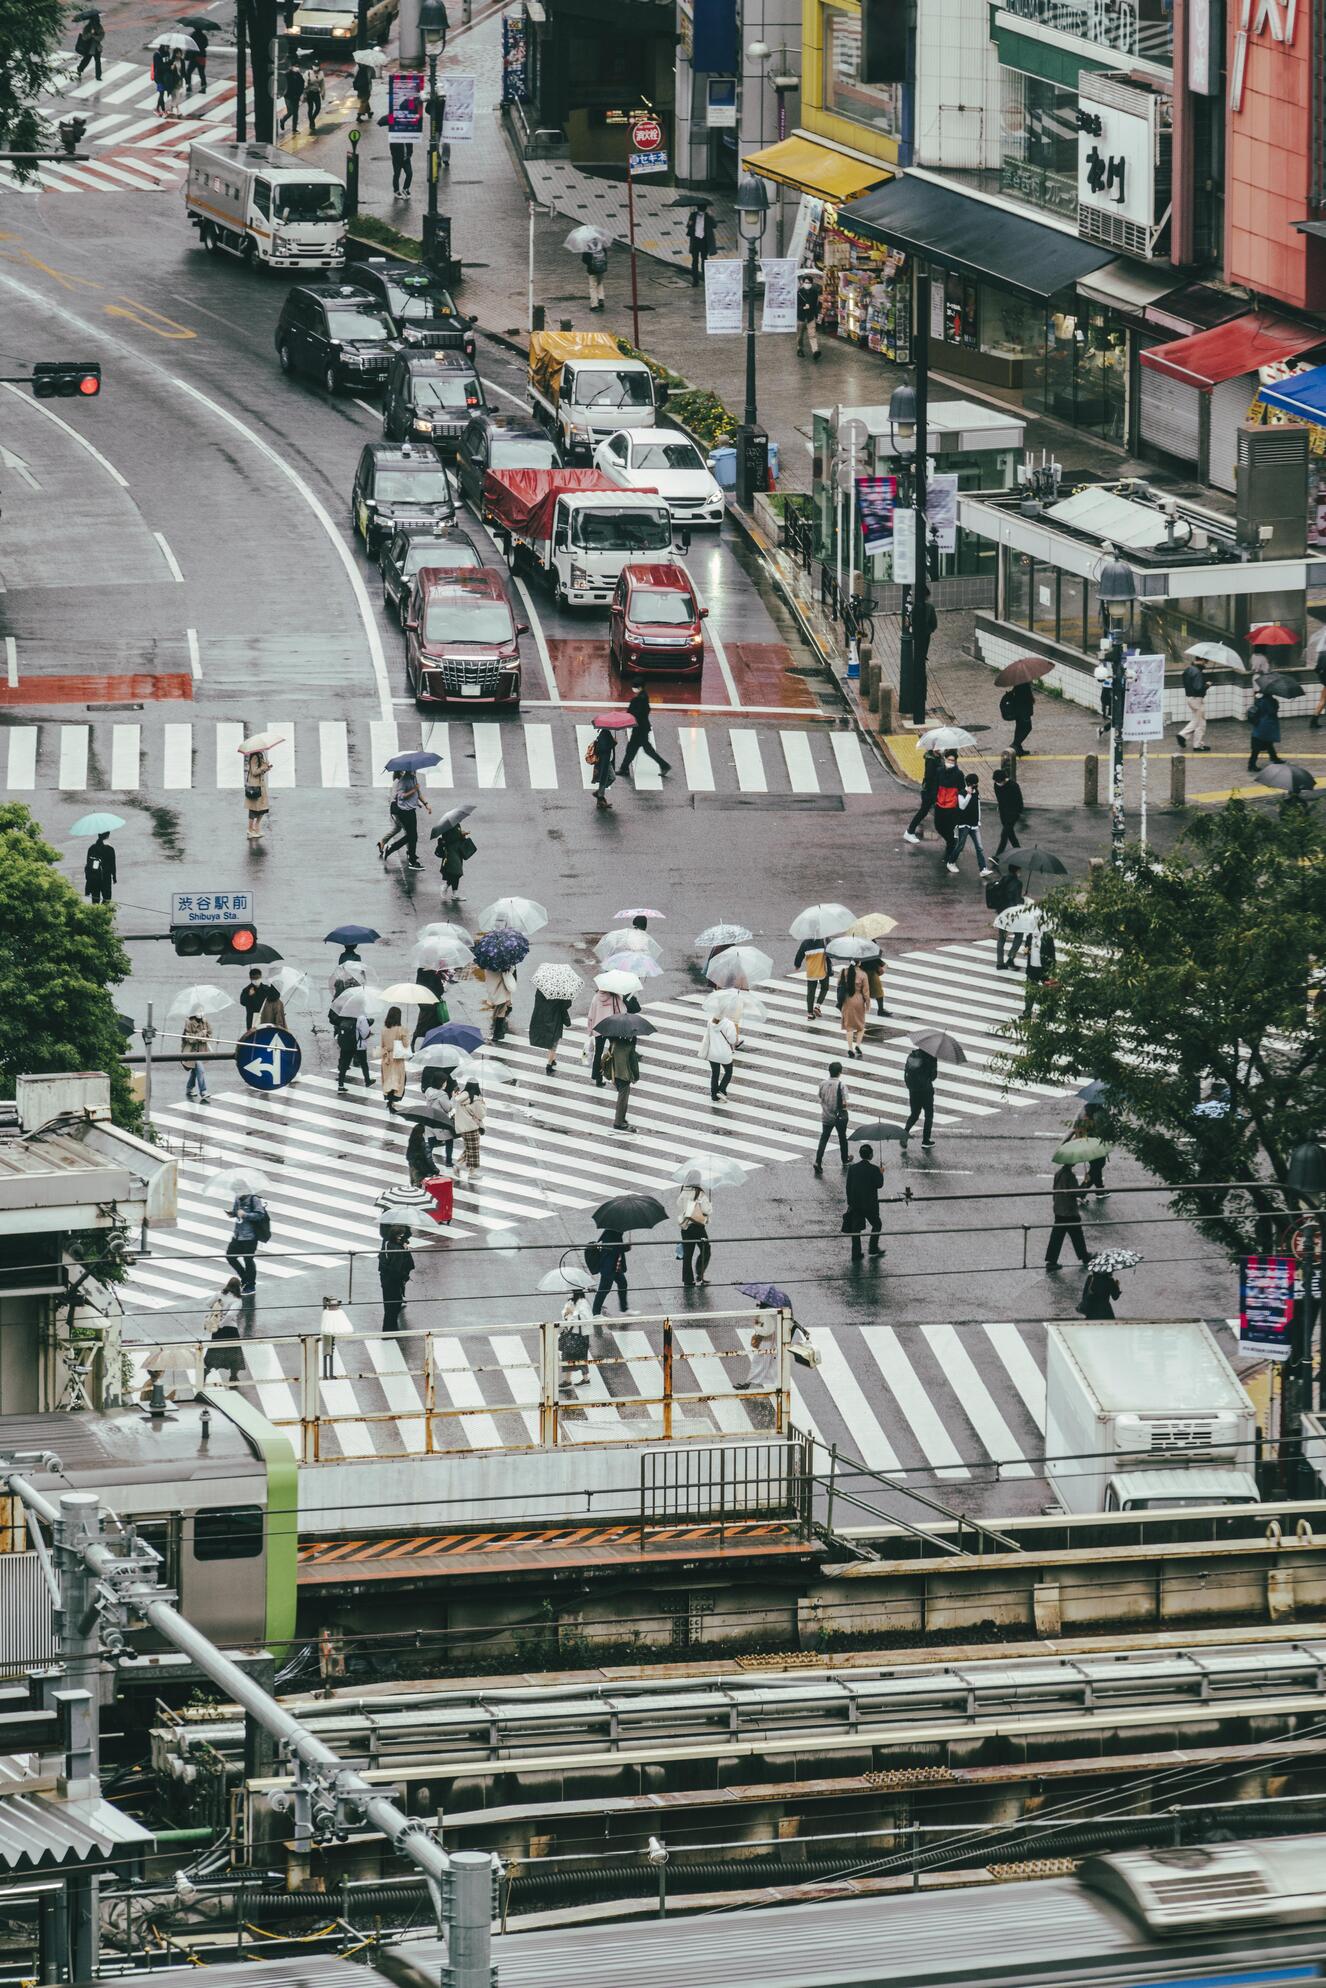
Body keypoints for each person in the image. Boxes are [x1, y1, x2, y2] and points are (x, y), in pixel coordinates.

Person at [379, 767, 430, 869]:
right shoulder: (403, 781)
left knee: (413, 836)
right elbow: (401, 796)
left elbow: (418, 793)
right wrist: (414, 789)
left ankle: (410, 856)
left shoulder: (413, 778)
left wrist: (426, 804)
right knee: (411, 836)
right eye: (414, 768)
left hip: (411, 810)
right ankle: (409, 858)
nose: (415, 770)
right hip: (404, 811)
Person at [843, 1143, 885, 1260]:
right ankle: (873, 1248)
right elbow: (879, 1184)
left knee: (856, 1229)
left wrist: (850, 1202)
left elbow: (848, 1186)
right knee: (877, 1224)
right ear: (870, 1155)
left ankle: (856, 1253)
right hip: (870, 1205)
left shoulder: (853, 1168)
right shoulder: (875, 1169)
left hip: (856, 1204)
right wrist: (881, 1173)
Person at [620, 683, 671, 776]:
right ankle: (624, 768)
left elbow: (635, 712)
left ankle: (624, 769)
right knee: (641, 749)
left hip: (639, 728)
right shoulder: (644, 697)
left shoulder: (639, 699)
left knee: (634, 749)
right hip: (642, 728)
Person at [1046, 1162, 1089, 1270]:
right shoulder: (1070, 1176)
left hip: (1059, 1209)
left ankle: (1051, 1261)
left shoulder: (1058, 1173)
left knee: (1057, 1237)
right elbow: (1077, 1193)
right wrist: (1085, 1182)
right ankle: (1084, 1257)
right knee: (1077, 1235)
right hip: (1069, 1211)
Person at [202, 1279, 245, 1385]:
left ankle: (205, 1371)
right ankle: (233, 1376)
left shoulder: (219, 1294)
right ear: (238, 1287)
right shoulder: (237, 1300)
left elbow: (207, 1303)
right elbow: (230, 1315)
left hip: (217, 1329)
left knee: (215, 1352)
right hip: (231, 1329)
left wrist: (218, 1312)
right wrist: (223, 1324)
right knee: (235, 1352)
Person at [226, 1193, 268, 1297]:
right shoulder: (237, 1198)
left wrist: (245, 1215)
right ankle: (245, 1278)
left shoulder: (254, 1199)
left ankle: (251, 1285)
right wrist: (233, 1213)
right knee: (230, 1256)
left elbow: (260, 1215)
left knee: (248, 1260)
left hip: (250, 1237)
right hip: (238, 1235)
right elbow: (237, 1212)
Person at [813, 1061, 849, 1174]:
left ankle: (818, 1161)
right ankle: (845, 1159)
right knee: (842, 1138)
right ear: (840, 1072)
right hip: (838, 1117)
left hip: (826, 1115)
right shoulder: (841, 1085)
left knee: (824, 1138)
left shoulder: (822, 1084)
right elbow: (844, 1103)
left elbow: (820, 1097)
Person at [677, 1171, 712, 1288]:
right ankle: (700, 1274)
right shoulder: (699, 1193)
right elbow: (706, 1210)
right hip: (698, 1227)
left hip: (686, 1227)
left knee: (688, 1255)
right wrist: (710, 1204)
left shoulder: (683, 1192)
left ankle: (688, 1280)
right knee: (705, 1249)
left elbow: (679, 1207)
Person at [378, 1226, 415, 1332]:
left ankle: (389, 1328)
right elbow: (398, 1268)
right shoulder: (397, 1250)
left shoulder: (386, 1243)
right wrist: (406, 1250)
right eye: (400, 1236)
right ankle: (389, 1330)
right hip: (393, 1280)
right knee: (394, 1305)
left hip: (385, 1278)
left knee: (389, 1305)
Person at [586, 985, 625, 1085]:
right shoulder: (614, 997)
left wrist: (590, 1030)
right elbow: (622, 1011)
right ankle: (615, 1076)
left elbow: (591, 1015)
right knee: (614, 1052)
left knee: (598, 1053)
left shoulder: (596, 997)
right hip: (612, 1028)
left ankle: (597, 1077)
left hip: (599, 1028)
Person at [989, 865, 1026, 971]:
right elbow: (1017, 900)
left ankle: (1000, 962)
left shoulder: (1003, 879)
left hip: (1002, 913)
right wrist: (1023, 899)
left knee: (1002, 937)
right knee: (1019, 935)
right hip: (1012, 913)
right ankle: (1011, 957)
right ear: (1017, 870)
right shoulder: (1018, 883)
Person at [529, 984, 573, 1073]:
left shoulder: (541, 988)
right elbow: (565, 1005)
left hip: (543, 1016)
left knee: (550, 1038)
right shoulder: (560, 990)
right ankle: (549, 1063)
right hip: (555, 1017)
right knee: (554, 1039)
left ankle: (552, 1059)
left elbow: (537, 1001)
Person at [901, 1046, 937, 1148]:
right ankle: (926, 1140)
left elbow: (906, 1070)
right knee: (928, 1115)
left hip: (913, 1090)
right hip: (926, 1090)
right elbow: (933, 1076)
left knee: (914, 1114)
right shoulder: (931, 1057)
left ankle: (905, 1132)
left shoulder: (913, 1055)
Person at [903, 750, 941, 845]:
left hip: (933, 791)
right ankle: (910, 831)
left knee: (927, 812)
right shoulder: (932, 761)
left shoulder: (936, 759)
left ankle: (910, 831)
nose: (942, 749)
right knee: (923, 812)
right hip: (929, 792)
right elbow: (929, 777)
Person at [932, 751, 963, 868]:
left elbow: (961, 789)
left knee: (948, 828)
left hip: (951, 807)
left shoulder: (959, 774)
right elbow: (936, 785)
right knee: (938, 826)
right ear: (945, 759)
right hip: (940, 804)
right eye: (949, 760)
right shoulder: (939, 771)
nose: (950, 762)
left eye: (952, 760)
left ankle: (949, 851)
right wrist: (935, 799)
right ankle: (951, 842)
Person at [589, 1229, 629, 1315]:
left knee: (622, 1283)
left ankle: (624, 1309)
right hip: (608, 1267)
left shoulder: (616, 1231)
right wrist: (625, 1247)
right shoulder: (611, 1233)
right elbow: (613, 1248)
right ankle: (595, 1313)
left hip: (615, 1265)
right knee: (604, 1290)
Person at [1073, 1099, 1109, 1194]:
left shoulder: (1083, 1111)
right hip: (1098, 1144)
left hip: (1086, 1144)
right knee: (1097, 1166)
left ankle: (1100, 1189)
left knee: (1095, 1166)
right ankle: (1081, 1192)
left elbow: (1075, 1126)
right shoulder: (1100, 1113)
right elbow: (1105, 1129)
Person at [559, 1288, 593, 1389]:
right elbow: (564, 1313)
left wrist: (572, 1312)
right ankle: (568, 1380)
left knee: (581, 1356)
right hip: (571, 1333)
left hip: (581, 1335)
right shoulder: (570, 1302)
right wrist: (566, 1313)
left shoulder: (583, 1303)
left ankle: (585, 1379)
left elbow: (586, 1318)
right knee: (567, 1355)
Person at [606, 1031, 640, 1131]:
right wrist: (636, 1077)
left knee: (622, 1098)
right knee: (623, 1100)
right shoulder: (629, 1046)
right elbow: (634, 1065)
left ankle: (622, 1118)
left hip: (615, 1074)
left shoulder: (614, 1043)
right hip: (624, 1076)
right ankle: (618, 1122)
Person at [700, 1010, 737, 1099]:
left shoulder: (710, 1022)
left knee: (715, 1073)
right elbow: (732, 1040)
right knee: (728, 1072)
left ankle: (714, 1095)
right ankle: (721, 1090)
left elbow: (707, 1037)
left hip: (712, 1053)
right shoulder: (729, 1024)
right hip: (724, 1054)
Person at [335, 1010, 373, 1093]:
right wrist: (369, 1032)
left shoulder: (345, 1014)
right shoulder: (361, 1018)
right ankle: (367, 1081)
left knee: (344, 1065)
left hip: (347, 1044)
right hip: (359, 1045)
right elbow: (364, 1034)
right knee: (363, 1063)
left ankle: (340, 1086)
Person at [379, 1005, 408, 1112]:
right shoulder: (401, 1030)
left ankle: (390, 1102)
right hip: (397, 1059)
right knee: (398, 1081)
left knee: (389, 1081)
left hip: (386, 1059)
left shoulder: (384, 1029)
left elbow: (382, 1045)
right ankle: (392, 1103)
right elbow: (405, 1045)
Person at [794, 934, 831, 1019]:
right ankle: (817, 1006)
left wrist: (797, 964)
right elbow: (831, 951)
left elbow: (799, 954)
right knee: (825, 987)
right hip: (822, 968)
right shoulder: (824, 940)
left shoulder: (805, 942)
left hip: (811, 970)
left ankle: (810, 1013)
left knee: (811, 991)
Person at [453, 1079, 485, 1174]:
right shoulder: (476, 1100)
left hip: (463, 1128)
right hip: (472, 1127)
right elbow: (481, 1115)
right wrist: (483, 1105)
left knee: (469, 1148)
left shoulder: (460, 1098)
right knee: (474, 1149)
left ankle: (460, 1165)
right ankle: (471, 1172)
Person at [1178, 657, 1210, 751]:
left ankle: (1182, 735)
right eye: (1206, 662)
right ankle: (1197, 745)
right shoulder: (1197, 672)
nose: (1206, 664)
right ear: (1203, 660)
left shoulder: (1188, 669)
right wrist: (1207, 685)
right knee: (1201, 723)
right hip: (1197, 699)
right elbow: (1198, 688)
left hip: (1190, 698)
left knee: (1196, 720)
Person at [1023, 927, 1056, 1018]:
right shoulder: (1029, 937)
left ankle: (1047, 1014)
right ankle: (1027, 1013)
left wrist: (1052, 969)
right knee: (1030, 992)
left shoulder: (1047, 938)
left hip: (1044, 969)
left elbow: (1052, 954)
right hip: (1032, 968)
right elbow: (1026, 950)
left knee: (1046, 993)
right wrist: (1026, 950)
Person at [1247, 686, 1281, 772]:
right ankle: (1251, 764)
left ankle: (1274, 757)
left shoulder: (1258, 700)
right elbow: (1272, 711)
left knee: (1265, 743)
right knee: (1260, 745)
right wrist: (1276, 703)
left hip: (1258, 724)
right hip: (1267, 725)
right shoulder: (1271, 701)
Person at [837, 963, 867, 1059]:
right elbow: (866, 992)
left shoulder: (843, 972)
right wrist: (868, 1004)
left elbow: (838, 985)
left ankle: (850, 1049)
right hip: (859, 1000)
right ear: (859, 963)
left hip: (847, 1000)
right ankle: (858, 1045)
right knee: (861, 1026)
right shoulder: (863, 974)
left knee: (849, 1027)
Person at [318, 1295, 353, 1377]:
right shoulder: (328, 1314)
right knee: (327, 1341)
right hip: (327, 1336)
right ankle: (327, 1374)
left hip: (328, 1334)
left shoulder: (329, 1313)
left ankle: (328, 1374)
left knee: (328, 1338)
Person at [993, 765, 1024, 857]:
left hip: (1013, 814)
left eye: (999, 781)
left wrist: (1016, 814)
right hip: (1003, 813)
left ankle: (997, 856)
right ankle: (1018, 850)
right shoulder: (996, 785)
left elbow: (1019, 802)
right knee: (1010, 834)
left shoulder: (1013, 786)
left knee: (1004, 835)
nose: (997, 783)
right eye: (996, 781)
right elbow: (1000, 799)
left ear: (1004, 780)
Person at [181, 1012, 212, 1103]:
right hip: (191, 1051)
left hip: (201, 1051)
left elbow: (209, 1034)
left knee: (195, 1071)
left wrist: (203, 1036)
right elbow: (189, 1039)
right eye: (198, 1010)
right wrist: (201, 1034)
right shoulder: (189, 1022)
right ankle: (203, 1091)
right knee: (201, 1070)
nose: (200, 1013)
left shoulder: (205, 1021)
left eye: (202, 1010)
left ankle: (189, 1089)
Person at [482, 965, 518, 1043]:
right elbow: (510, 973)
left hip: (493, 988)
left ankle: (498, 1032)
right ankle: (497, 1033)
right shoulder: (503, 963)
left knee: (500, 1007)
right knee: (501, 1009)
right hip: (501, 987)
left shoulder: (486, 963)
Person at [686, 199, 717, 285]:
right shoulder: (693, 215)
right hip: (695, 240)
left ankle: (705, 278)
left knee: (704, 260)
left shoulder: (708, 216)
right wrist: (690, 223)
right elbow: (688, 226)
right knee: (695, 260)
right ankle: (695, 280)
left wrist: (712, 216)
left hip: (704, 240)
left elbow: (715, 225)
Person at [436, 819, 471, 895]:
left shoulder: (457, 824)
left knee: (455, 872)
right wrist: (460, 834)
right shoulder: (447, 827)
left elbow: (458, 838)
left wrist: (463, 835)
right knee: (457, 872)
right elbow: (449, 840)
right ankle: (446, 886)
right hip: (451, 852)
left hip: (458, 851)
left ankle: (454, 893)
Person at [243, 747, 271, 842]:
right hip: (255, 786)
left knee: (263, 808)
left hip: (261, 786)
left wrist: (266, 768)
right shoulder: (255, 756)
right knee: (253, 809)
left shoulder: (260, 755)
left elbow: (260, 770)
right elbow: (254, 772)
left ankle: (256, 828)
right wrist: (263, 768)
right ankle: (250, 830)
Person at [406, 1116, 442, 1186]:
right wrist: (435, 1170)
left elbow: (408, 1156)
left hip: (413, 1167)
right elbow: (428, 1159)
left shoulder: (412, 1142)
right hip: (421, 1170)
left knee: (413, 1186)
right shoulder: (424, 1144)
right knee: (420, 1187)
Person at [1003, 678, 1035, 757]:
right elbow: (1026, 696)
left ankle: (1019, 749)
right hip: (1024, 710)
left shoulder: (1018, 681)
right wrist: (1031, 698)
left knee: (1019, 728)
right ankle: (1015, 745)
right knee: (1028, 727)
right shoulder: (1024, 683)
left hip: (1018, 709)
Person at [590, 723, 617, 812]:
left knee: (611, 778)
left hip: (607, 761)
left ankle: (599, 793)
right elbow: (603, 748)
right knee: (606, 778)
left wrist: (613, 742)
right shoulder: (604, 734)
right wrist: (613, 743)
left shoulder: (606, 733)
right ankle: (600, 797)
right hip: (604, 762)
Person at [83, 831, 116, 904]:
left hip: (94, 877)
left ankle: (96, 913)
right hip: (106, 877)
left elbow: (88, 864)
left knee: (95, 899)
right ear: (107, 835)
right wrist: (114, 877)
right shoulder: (110, 849)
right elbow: (113, 864)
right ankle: (103, 913)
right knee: (107, 898)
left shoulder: (91, 848)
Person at [796, 271, 821, 359]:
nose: (807, 284)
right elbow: (796, 306)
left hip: (810, 317)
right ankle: (800, 349)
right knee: (800, 335)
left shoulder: (814, 292)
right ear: (803, 283)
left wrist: (816, 315)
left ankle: (815, 351)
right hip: (801, 317)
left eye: (809, 282)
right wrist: (803, 307)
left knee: (812, 334)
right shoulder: (799, 293)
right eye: (806, 282)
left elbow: (815, 305)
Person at [240, 968, 272, 1034]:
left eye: (257, 978)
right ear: (250, 978)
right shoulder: (246, 990)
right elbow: (242, 1002)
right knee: (252, 1035)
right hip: (252, 1018)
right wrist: (249, 995)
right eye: (254, 978)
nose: (256, 980)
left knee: (265, 1033)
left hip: (265, 1016)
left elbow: (273, 999)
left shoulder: (266, 989)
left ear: (260, 977)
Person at [75, 14, 104, 80]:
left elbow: (101, 36)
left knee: (98, 62)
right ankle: (80, 69)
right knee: (86, 60)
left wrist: (95, 36)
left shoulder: (99, 27)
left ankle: (98, 76)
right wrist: (90, 34)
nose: (98, 21)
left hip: (96, 47)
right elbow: (84, 37)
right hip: (89, 47)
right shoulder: (87, 27)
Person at [584, 239, 608, 312]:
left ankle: (594, 305)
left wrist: (589, 264)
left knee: (593, 287)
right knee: (600, 283)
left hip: (592, 270)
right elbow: (605, 255)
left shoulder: (588, 246)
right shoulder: (601, 243)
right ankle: (601, 298)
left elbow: (584, 259)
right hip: (601, 268)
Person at [184, 24, 207, 92]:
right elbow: (206, 45)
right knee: (201, 73)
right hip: (201, 57)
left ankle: (189, 86)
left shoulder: (193, 36)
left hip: (193, 57)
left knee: (188, 72)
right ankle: (203, 87)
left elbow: (188, 45)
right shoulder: (203, 36)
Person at [302, 58, 324, 130]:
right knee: (310, 108)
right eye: (315, 65)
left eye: (317, 65)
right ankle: (312, 123)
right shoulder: (308, 73)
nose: (316, 67)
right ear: (312, 66)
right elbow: (304, 84)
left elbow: (322, 84)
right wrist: (304, 93)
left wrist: (323, 93)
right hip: (309, 93)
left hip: (316, 92)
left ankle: (312, 119)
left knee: (318, 107)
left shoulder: (321, 73)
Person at [152, 44, 171, 112]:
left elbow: (168, 62)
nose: (168, 49)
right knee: (161, 92)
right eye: (166, 47)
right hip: (159, 77)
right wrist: (168, 67)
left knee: (162, 93)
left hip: (165, 76)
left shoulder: (167, 53)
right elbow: (158, 66)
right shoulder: (157, 54)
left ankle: (157, 107)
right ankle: (163, 109)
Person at [1312, 642, 1326, 730]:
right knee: (1323, 702)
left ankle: (1313, 722)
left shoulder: (1322, 655)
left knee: (1322, 701)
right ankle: (1313, 722)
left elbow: (1317, 669)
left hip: (1324, 681)